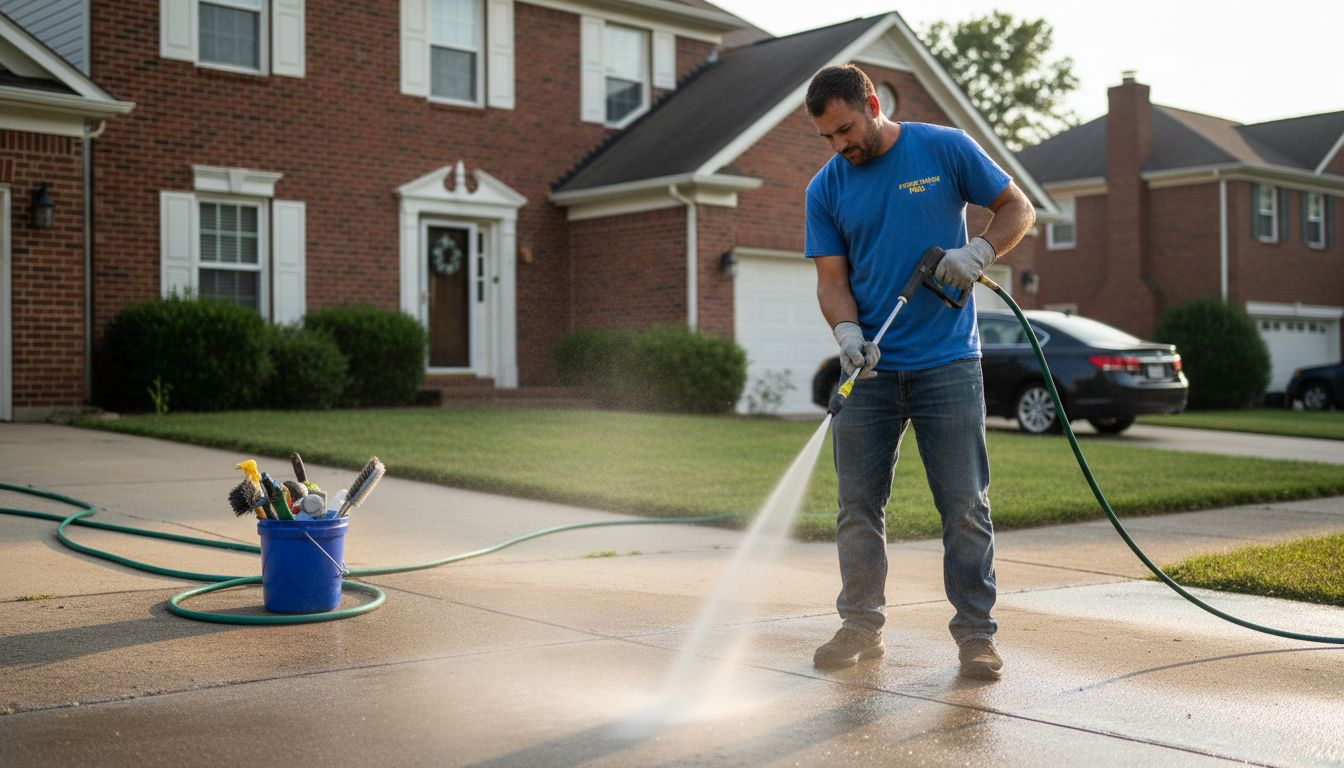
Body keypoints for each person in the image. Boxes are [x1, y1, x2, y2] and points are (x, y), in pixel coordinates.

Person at [802, 64, 1036, 679]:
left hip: (948, 364)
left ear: (873, 103)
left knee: (964, 506)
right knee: (857, 507)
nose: (839, 146)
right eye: (826, 137)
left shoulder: (945, 148)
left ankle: (976, 638)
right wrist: (848, 334)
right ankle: (859, 627)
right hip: (871, 372)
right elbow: (831, 281)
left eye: (845, 129)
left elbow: (1018, 207)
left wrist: (981, 249)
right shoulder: (825, 188)